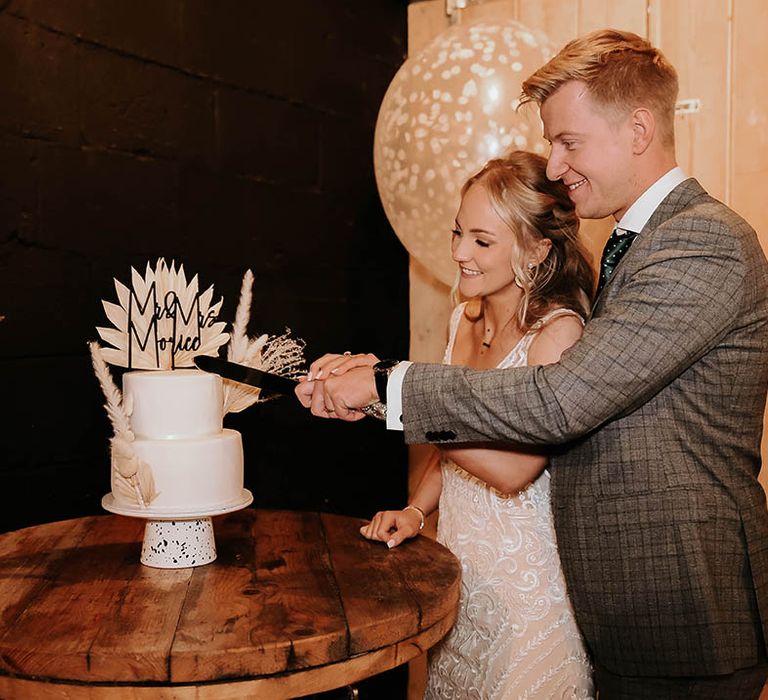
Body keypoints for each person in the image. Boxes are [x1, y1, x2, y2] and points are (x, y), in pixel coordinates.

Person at [297, 29, 768, 698]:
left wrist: (383, 385)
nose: (553, 165)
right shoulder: (640, 243)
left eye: (569, 142)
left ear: (638, 130)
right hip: (620, 614)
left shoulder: (700, 241)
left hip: (681, 615)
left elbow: (557, 403)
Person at [360, 150, 595, 697]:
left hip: (529, 602)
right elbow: (454, 445)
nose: (460, 253)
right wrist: (418, 509)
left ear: (537, 250)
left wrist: (388, 400)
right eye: (458, 232)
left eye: (482, 241)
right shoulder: (461, 320)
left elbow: (514, 467)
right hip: (463, 587)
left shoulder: (557, 334)